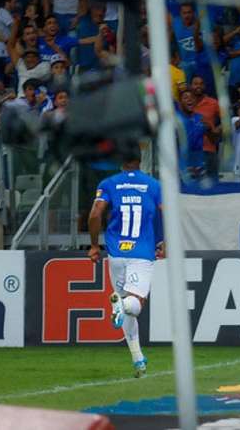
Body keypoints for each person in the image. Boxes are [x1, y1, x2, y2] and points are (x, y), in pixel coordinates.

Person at [88, 149, 164, 378]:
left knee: (126, 307)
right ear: (141, 160)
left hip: (116, 252)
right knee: (135, 304)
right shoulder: (153, 185)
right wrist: (164, 241)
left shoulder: (109, 183)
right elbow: (166, 213)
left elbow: (95, 214)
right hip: (142, 252)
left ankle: (138, 359)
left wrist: (93, 246)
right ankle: (120, 305)